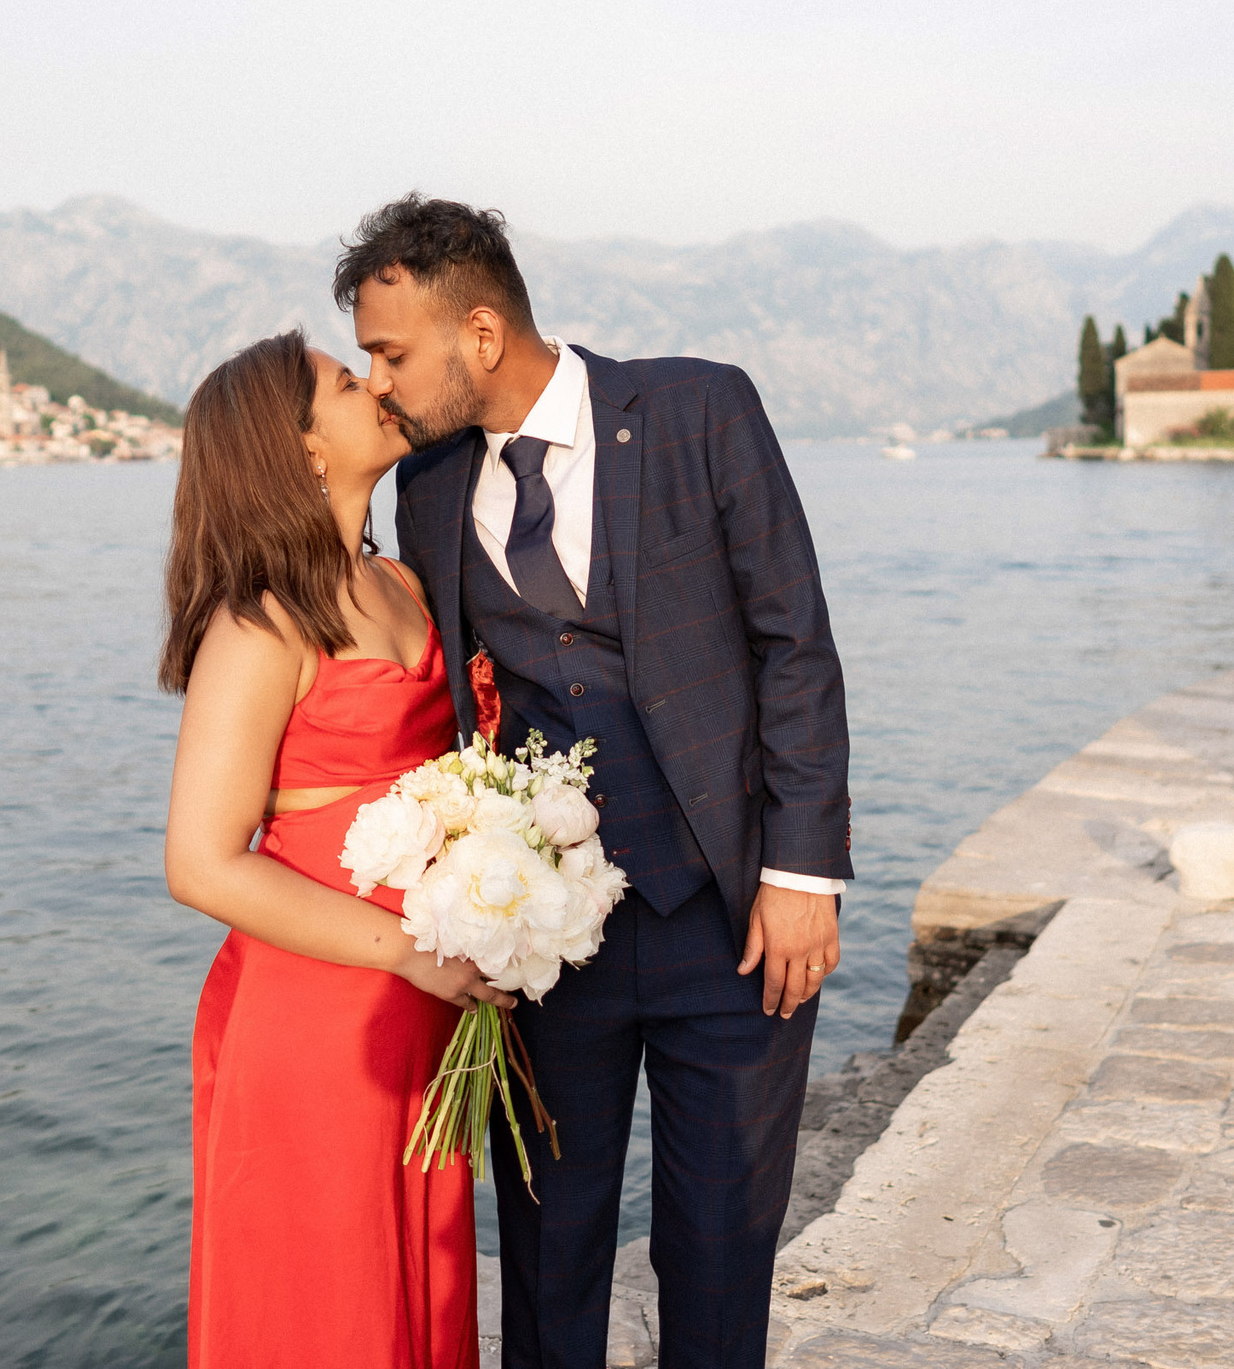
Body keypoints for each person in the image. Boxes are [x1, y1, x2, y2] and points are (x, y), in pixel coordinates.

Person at [338, 196, 854, 1369]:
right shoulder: (425, 490)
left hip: (730, 919)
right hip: (545, 947)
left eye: (393, 352)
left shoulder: (694, 409)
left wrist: (803, 873)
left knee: (718, 1246)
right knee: (546, 1248)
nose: (379, 383)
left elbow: (795, 644)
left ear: (478, 333)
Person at [162, 328, 508, 1369]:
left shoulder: (404, 585)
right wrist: (405, 951)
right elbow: (199, 861)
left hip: (424, 1002)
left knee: (422, 1274)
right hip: (316, 1018)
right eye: (350, 383)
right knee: (328, 1297)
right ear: (303, 448)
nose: (381, 388)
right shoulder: (259, 623)